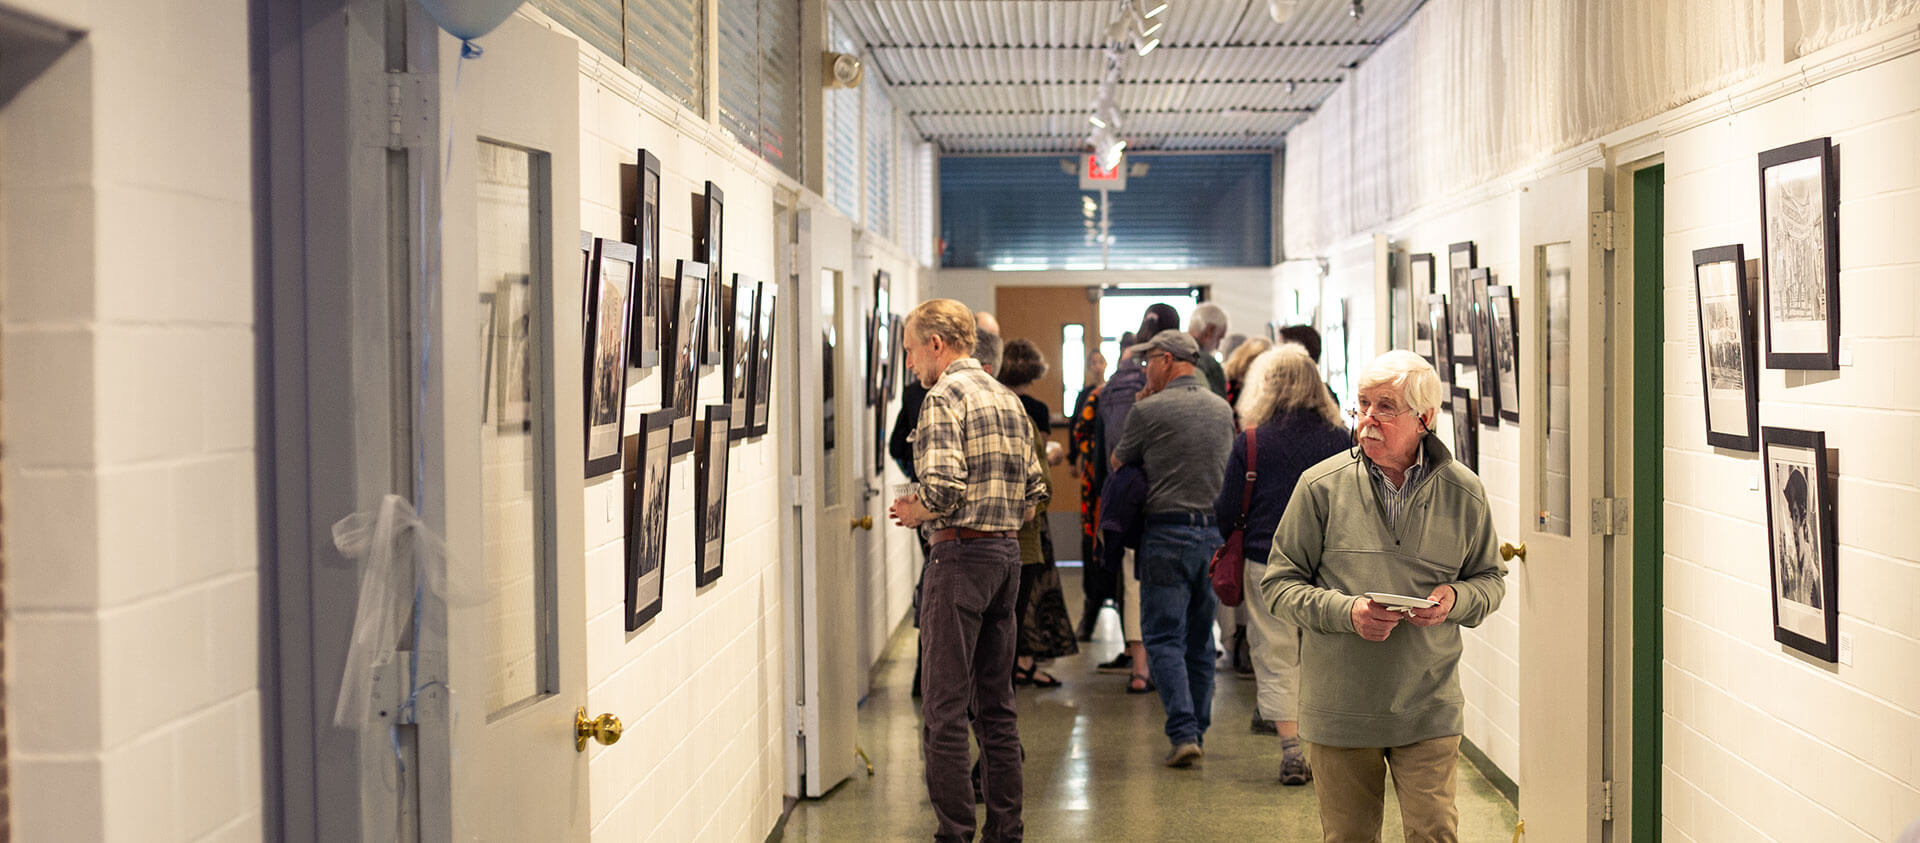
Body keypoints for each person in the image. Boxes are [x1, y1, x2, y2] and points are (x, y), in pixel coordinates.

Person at [1260, 350, 1508, 841]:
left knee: (1434, 832)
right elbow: (1278, 585)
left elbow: (1491, 580)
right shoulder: (1320, 488)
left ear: (1425, 418)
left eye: (1385, 407)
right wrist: (1346, 611)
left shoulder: (1465, 493)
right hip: (1340, 709)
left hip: (1427, 706)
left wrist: (1454, 601)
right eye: (1363, 405)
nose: (1368, 420)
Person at [889, 300, 1045, 843]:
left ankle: (954, 834)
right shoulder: (1007, 398)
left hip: (958, 560)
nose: (909, 363)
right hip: (1006, 559)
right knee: (997, 707)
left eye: (910, 349)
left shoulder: (942, 398)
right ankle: (1007, 831)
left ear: (936, 344)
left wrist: (914, 508)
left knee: (945, 712)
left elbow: (943, 490)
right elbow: (1034, 496)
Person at [1214, 345, 1351, 785]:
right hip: (1329, 563)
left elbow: (1228, 508)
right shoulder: (1343, 439)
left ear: (1265, 386)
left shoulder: (1252, 442)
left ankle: (1292, 751)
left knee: (1274, 653)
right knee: (1324, 653)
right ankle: (1325, 746)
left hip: (1266, 560)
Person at [1109, 330, 1235, 767]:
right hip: (1212, 538)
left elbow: (1118, 462)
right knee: (1202, 641)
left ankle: (1182, 730)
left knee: (1163, 637)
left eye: (1149, 362)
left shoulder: (1149, 409)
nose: (1145, 369)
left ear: (1166, 360)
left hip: (1164, 534)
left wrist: (1142, 404)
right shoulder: (1222, 410)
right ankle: (1197, 727)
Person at [1095, 307, 1180, 693]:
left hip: (1127, 494)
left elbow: (1108, 455)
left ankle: (1139, 669)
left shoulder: (1111, 388)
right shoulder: (1167, 389)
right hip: (1167, 493)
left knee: (1133, 582)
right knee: (1170, 581)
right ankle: (1168, 666)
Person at [996, 338, 1079, 686]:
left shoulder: (995, 402)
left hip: (998, 509)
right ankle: (1026, 659)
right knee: (1033, 588)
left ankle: (1011, 661)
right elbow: (1039, 461)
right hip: (1030, 514)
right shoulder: (1036, 410)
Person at [1217, 334, 1272, 679]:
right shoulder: (1235, 397)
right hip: (1243, 477)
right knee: (1237, 565)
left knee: (1239, 563)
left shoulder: (1231, 393)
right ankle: (1237, 640)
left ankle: (1237, 639)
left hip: (1246, 481)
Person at [1069, 347, 1113, 642]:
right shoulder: (1087, 395)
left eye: (1100, 361)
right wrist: (1077, 458)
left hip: (1112, 479)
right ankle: (1091, 610)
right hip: (1093, 481)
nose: (1097, 366)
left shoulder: (1112, 392)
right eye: (1092, 362)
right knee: (1091, 540)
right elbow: (1077, 427)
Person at [1189, 302, 1230, 396]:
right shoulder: (1208, 364)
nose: (1218, 346)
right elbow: (1220, 408)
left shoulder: (1169, 355)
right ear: (1210, 330)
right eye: (1219, 338)